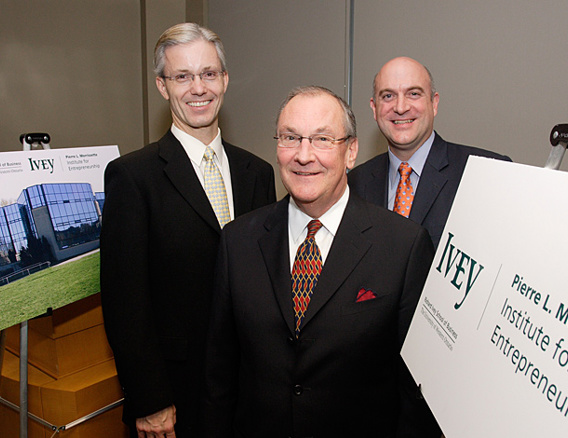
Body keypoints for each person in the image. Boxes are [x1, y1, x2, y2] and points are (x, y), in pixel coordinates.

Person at [202, 86, 440, 437]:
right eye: (290, 138)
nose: (303, 155)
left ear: (351, 151)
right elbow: (219, 375)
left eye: (323, 139)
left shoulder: (403, 245)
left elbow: (415, 389)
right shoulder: (239, 241)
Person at [100, 23, 276, 438]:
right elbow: (125, 301)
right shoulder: (132, 177)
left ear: (225, 79)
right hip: (175, 397)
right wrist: (149, 399)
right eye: (183, 76)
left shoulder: (258, 173)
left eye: (209, 74)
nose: (198, 88)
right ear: (163, 86)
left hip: (251, 389)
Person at [349, 57, 511, 248]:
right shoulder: (355, 183)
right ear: (374, 108)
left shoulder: (487, 173)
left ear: (434, 103)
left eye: (414, 94)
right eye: (388, 96)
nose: (401, 107)